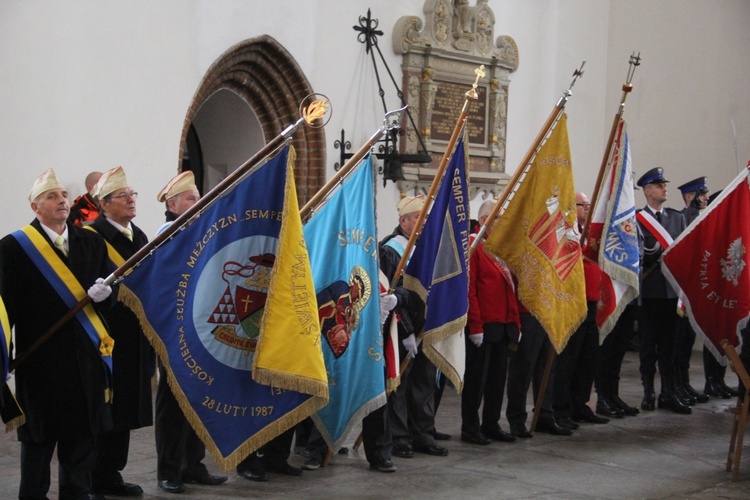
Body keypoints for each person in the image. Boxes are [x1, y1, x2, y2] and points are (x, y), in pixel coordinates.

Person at [0, 168, 114, 499]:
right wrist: (4, 355)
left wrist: (107, 297)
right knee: (38, 444)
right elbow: (4, 307)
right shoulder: (13, 248)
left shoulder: (91, 241)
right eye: (51, 196)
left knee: (81, 446)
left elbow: (112, 290)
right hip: (41, 363)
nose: (62, 201)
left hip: (86, 361)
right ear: (35, 206)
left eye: (63, 195)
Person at [153, 171, 227, 494]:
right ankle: (169, 470)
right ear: (173, 204)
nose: (199, 203)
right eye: (191, 199)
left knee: (198, 399)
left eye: (198, 197)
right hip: (174, 329)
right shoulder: (167, 234)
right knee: (172, 401)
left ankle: (193, 464)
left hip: (202, 327)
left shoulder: (201, 229)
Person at [88, 166, 156, 496]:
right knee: (105, 407)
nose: (130, 200)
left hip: (135, 335)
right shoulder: (91, 237)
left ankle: (112, 473)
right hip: (106, 336)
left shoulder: (138, 235)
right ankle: (91, 475)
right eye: (122, 196)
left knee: (126, 408)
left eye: (132, 194)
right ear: (104, 203)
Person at [381, 195, 448, 457]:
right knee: (400, 384)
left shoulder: (427, 248)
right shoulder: (390, 249)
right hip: (400, 330)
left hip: (426, 328)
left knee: (425, 383)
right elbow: (389, 293)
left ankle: (423, 435)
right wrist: (407, 330)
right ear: (403, 220)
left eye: (426, 219)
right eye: (418, 219)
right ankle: (399, 439)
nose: (422, 224)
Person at [461, 200, 518, 445]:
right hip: (483, 325)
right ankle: (470, 427)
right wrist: (475, 326)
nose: (503, 223)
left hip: (503, 324)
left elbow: (510, 289)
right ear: (484, 220)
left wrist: (515, 322)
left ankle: (491, 423)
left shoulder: (499, 249)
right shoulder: (474, 248)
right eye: (498, 219)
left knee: (496, 380)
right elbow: (470, 291)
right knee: (477, 381)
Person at [636, 167, 690, 414]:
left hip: (671, 292)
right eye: (659, 185)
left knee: (670, 347)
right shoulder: (637, 219)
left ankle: (669, 393)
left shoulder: (677, 218)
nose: (664, 188)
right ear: (647, 191)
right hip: (649, 292)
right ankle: (649, 392)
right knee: (648, 347)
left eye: (664, 184)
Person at [555, 193, 609, 427]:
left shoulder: (593, 234)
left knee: (588, 359)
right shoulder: (567, 233)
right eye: (582, 204)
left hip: (593, 302)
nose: (587, 208)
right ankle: (560, 408)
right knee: (569, 359)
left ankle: (580, 404)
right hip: (573, 302)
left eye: (589, 204)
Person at [673, 177, 711, 405]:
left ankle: (684, 383)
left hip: (696, 291)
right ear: (689, 197)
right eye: (702, 193)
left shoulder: (703, 219)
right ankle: (677, 384)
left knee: (688, 340)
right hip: (680, 294)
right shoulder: (682, 219)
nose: (706, 197)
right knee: (678, 342)